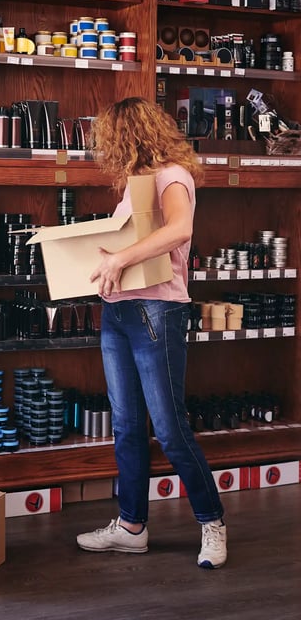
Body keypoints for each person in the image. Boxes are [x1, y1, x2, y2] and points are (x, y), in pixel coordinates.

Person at [75, 97, 227, 569]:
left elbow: (180, 229)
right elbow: (134, 243)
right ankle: (131, 527)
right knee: (125, 426)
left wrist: (120, 259)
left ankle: (213, 523)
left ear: (130, 134)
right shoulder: (136, 186)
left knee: (170, 427)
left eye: (112, 140)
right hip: (120, 312)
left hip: (157, 312)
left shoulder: (172, 175)